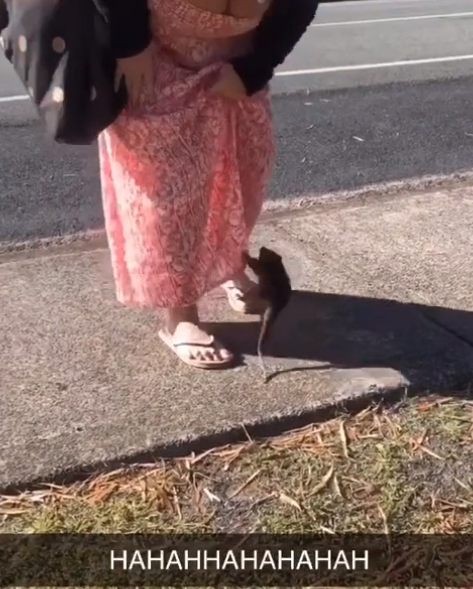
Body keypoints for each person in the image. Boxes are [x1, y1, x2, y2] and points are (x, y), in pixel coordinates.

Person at [100, 0, 318, 369]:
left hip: (237, 59)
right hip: (155, 60)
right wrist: (129, 43)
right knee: (171, 197)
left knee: (242, 174)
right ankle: (179, 312)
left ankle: (228, 265)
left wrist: (256, 67)